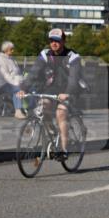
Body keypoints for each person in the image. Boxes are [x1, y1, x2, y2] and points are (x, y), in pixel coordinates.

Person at [20, 28, 82, 160]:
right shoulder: (45, 54)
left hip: (70, 90)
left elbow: (74, 79)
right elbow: (34, 72)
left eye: (57, 41)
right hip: (52, 88)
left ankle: (64, 150)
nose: (54, 43)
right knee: (43, 105)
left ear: (64, 41)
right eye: (52, 41)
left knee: (61, 112)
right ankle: (53, 132)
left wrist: (67, 93)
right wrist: (23, 88)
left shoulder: (73, 56)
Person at [0, 40, 26, 119]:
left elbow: (18, 73)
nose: (13, 51)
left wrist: (23, 81)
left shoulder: (12, 59)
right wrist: (17, 84)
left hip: (14, 82)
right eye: (11, 49)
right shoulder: (0, 60)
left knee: (30, 87)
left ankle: (31, 109)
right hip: (2, 83)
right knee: (17, 90)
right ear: (6, 49)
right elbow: (5, 76)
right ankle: (18, 111)